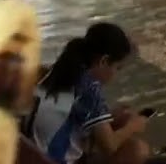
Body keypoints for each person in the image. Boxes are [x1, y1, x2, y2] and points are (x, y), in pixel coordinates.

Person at [29, 23, 150, 164]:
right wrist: (133, 126)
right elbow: (109, 147)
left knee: (120, 120)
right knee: (137, 150)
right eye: (117, 68)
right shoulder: (89, 88)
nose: (115, 75)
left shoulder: (61, 69)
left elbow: (68, 114)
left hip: (32, 152)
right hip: (51, 160)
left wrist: (109, 116)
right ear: (104, 61)